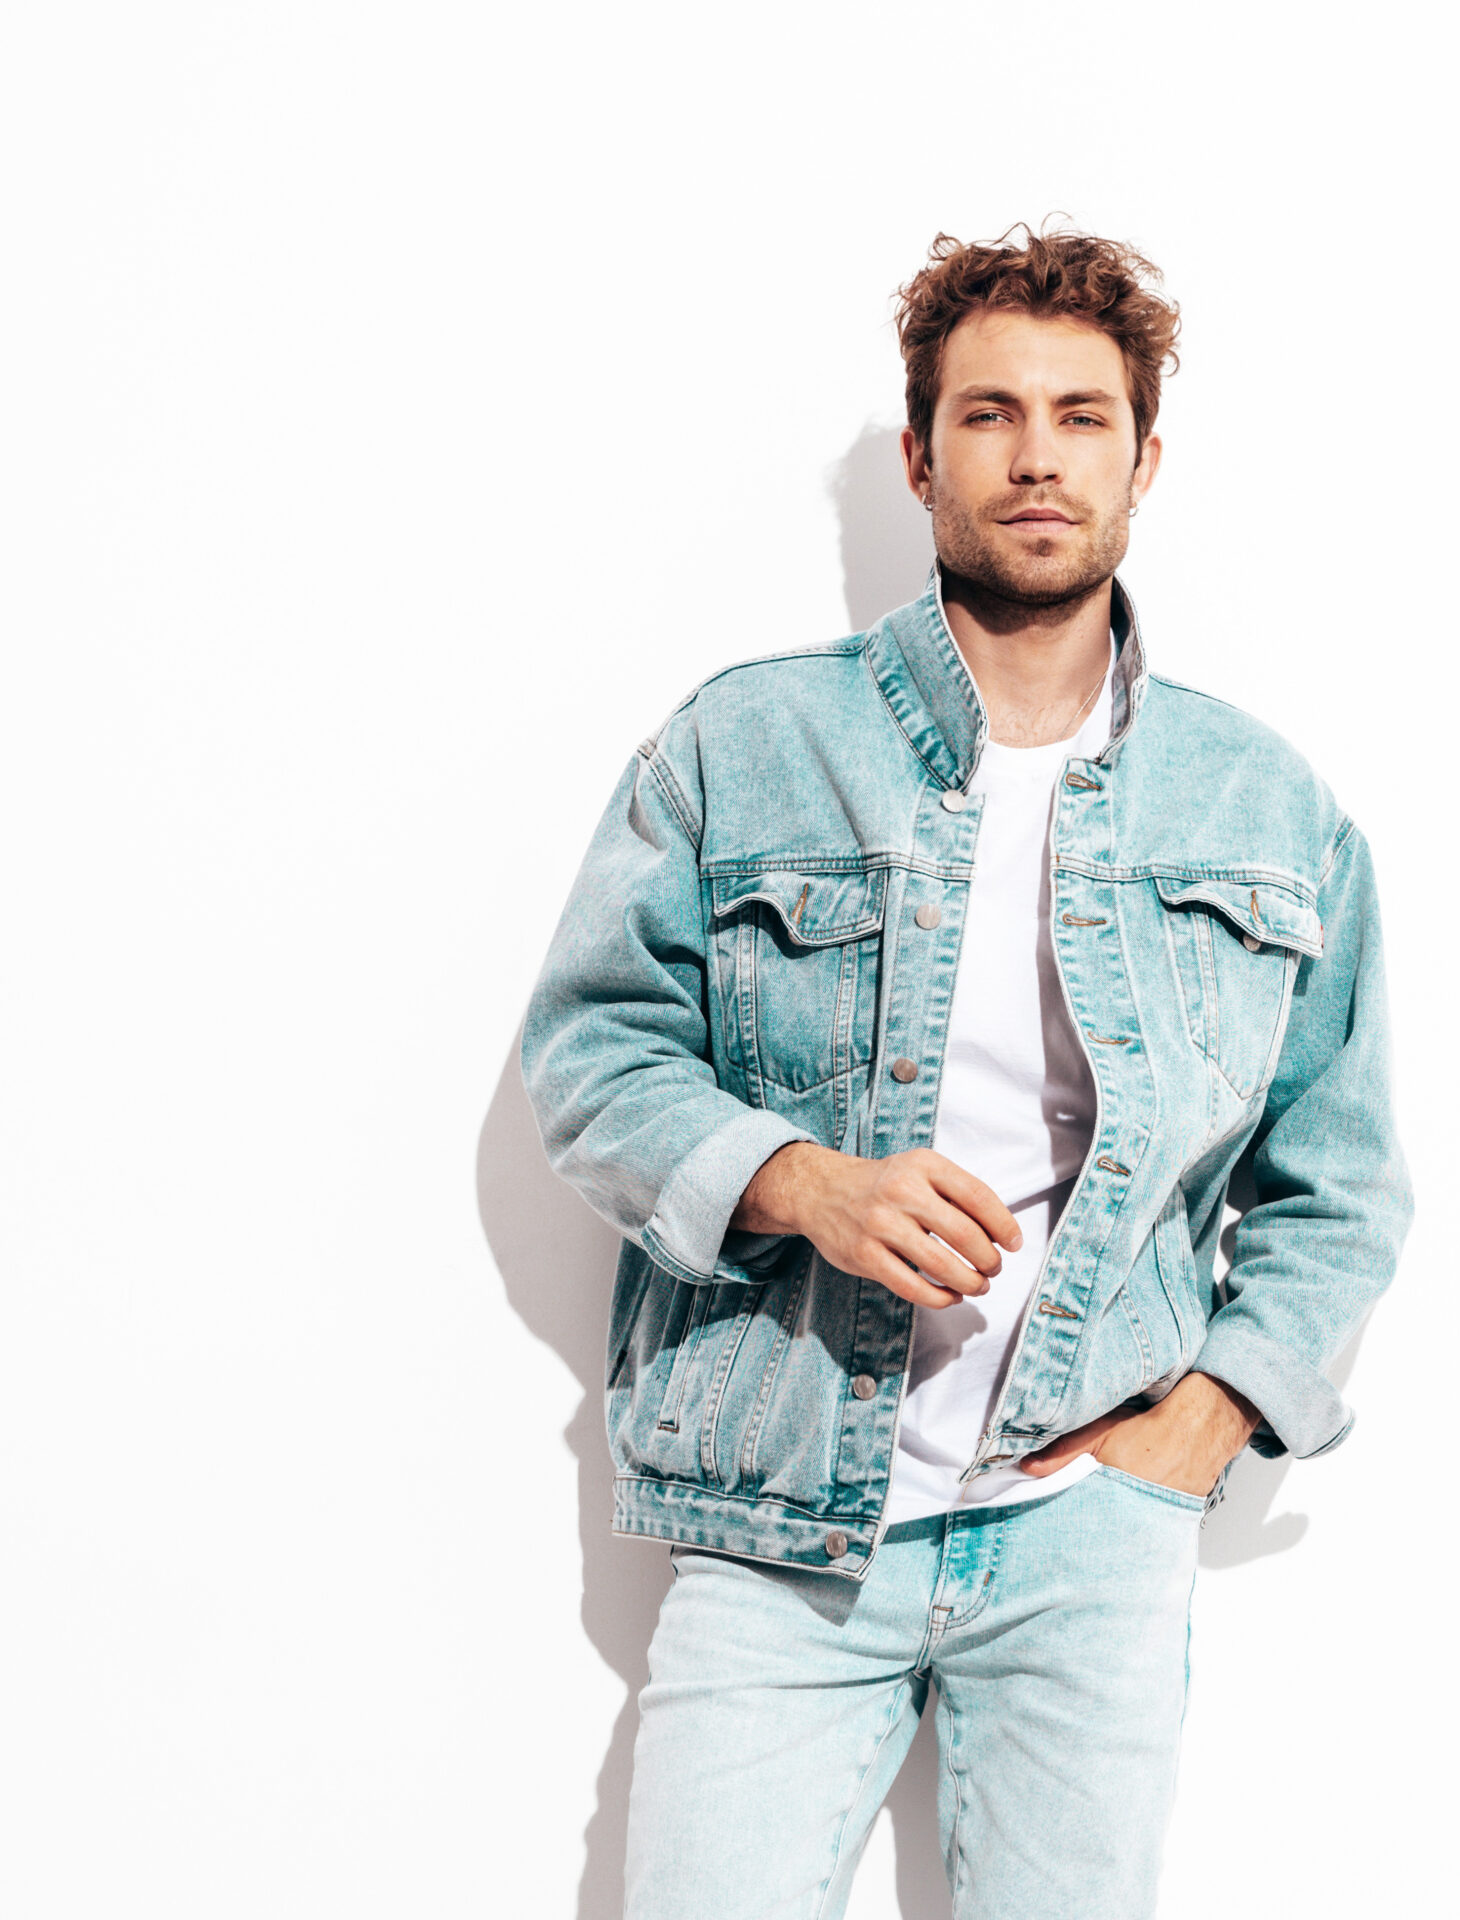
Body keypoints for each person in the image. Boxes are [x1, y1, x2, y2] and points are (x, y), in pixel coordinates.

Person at [519, 225, 1413, 1919]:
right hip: (779, 1516)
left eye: (1082, 417)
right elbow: (590, 1049)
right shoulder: (748, 742)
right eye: (991, 415)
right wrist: (799, 1184)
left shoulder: (1264, 804)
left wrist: (1217, 1411)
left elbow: (1343, 1176)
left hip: (1092, 1528)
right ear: (923, 456)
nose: (1037, 458)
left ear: (1144, 460)